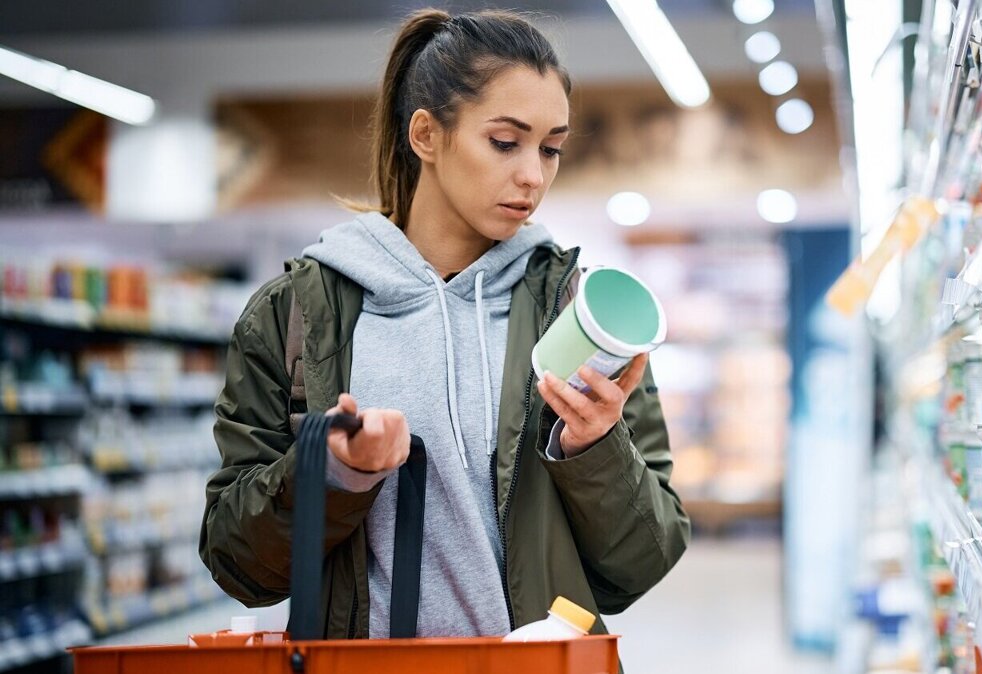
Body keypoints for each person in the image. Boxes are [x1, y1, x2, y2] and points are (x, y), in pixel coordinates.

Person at [199, 8, 690, 644]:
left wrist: (593, 450)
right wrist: (336, 473)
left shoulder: (579, 316)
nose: (533, 176)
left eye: (551, 149)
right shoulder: (294, 316)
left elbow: (642, 564)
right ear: (426, 135)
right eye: (506, 142)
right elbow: (239, 565)